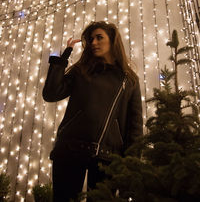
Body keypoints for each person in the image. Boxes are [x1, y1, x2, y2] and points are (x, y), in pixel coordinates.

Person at [42, 21, 143, 202]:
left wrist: (130, 165)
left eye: (99, 37)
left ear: (113, 41)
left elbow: (134, 127)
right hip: (70, 149)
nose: (93, 42)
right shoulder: (82, 70)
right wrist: (64, 57)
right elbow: (51, 94)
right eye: (90, 39)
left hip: (108, 157)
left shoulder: (129, 80)